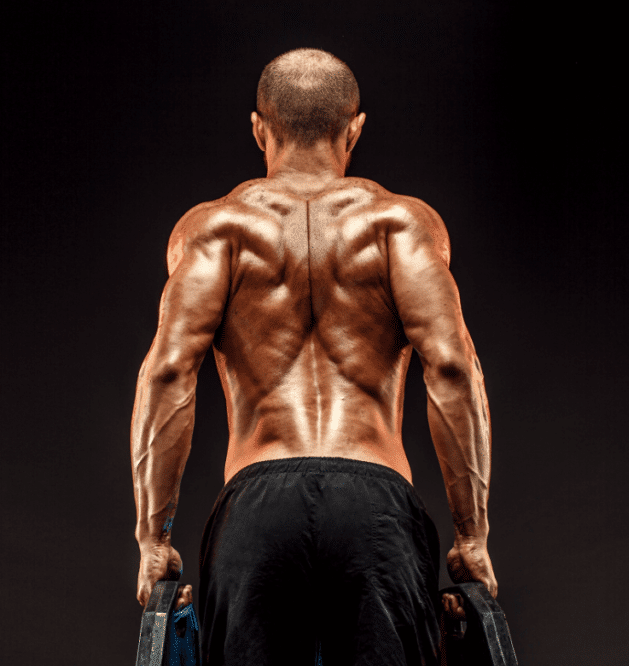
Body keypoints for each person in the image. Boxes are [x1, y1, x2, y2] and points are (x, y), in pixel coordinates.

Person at [131, 47, 497, 665]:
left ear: (258, 129)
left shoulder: (215, 230)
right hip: (377, 508)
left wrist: (151, 537)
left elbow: (168, 373)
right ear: (355, 129)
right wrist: (472, 535)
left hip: (254, 511)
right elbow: (455, 369)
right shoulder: (399, 226)